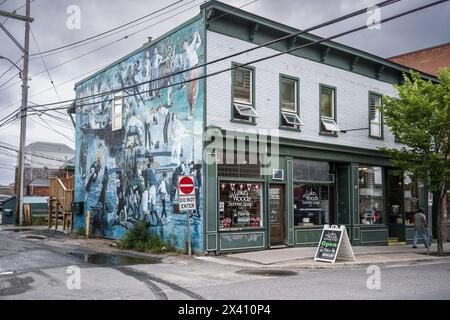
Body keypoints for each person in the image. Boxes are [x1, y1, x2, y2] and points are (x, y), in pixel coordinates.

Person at [182, 32, 201, 120]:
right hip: (191, 70)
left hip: (195, 68)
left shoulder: (191, 49)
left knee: (194, 89)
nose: (185, 45)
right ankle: (191, 111)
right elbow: (194, 42)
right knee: (190, 91)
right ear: (184, 47)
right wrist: (196, 35)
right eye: (184, 45)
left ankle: (192, 112)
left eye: (186, 43)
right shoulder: (188, 50)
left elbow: (199, 42)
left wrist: (198, 36)